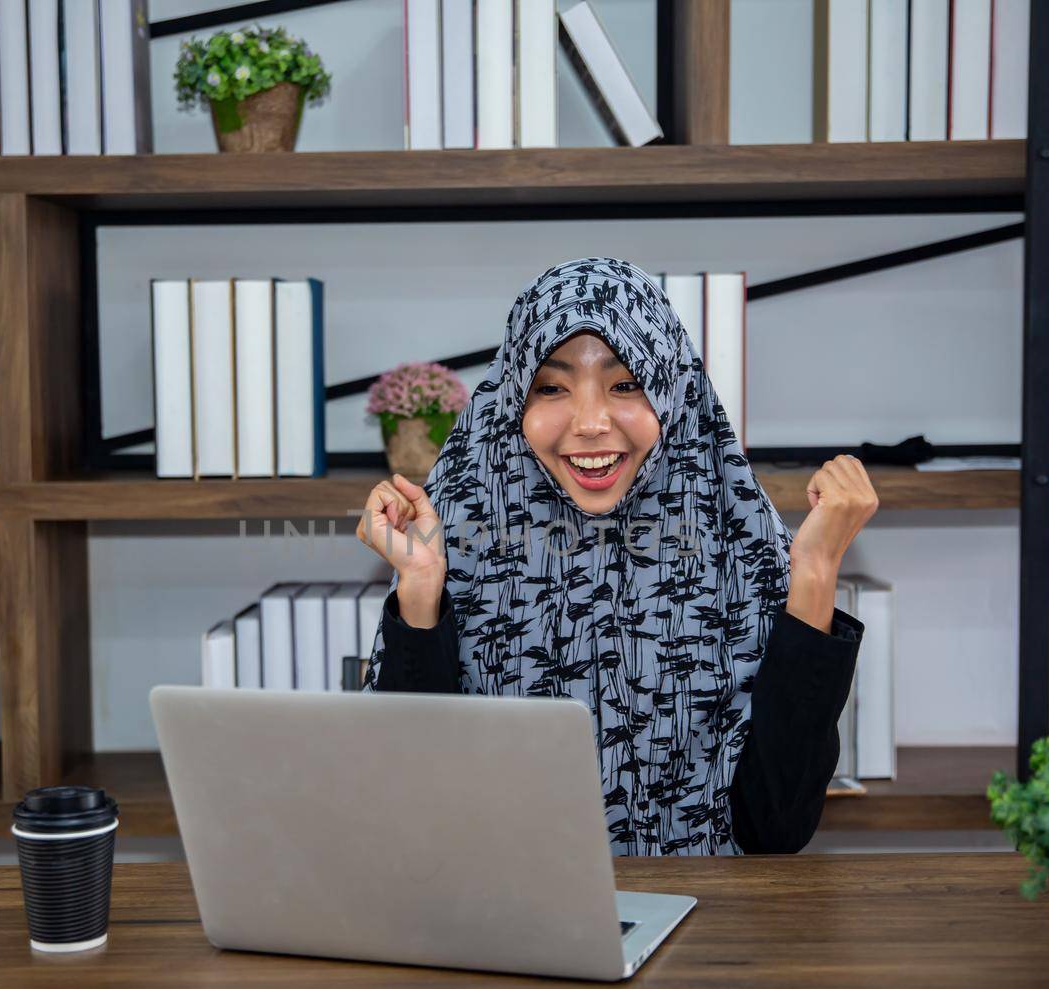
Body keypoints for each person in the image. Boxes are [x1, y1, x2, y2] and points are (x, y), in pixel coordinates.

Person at [355, 257, 879, 856]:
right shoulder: (463, 544)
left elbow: (776, 830)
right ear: (511, 404)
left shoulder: (741, 552)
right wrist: (421, 584)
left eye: (626, 384)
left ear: (671, 390)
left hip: (706, 924)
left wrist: (813, 571)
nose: (590, 423)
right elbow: (410, 803)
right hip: (504, 922)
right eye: (550, 387)